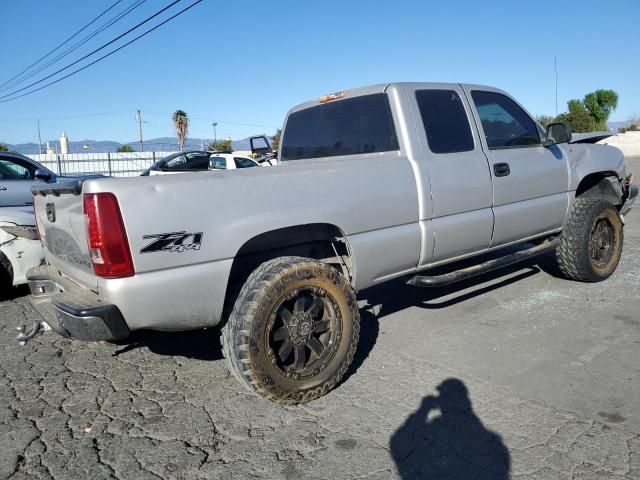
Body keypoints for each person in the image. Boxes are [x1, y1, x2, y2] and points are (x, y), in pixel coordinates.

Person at [390, 378, 510, 479]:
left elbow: (398, 442)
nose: (440, 398)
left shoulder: (436, 426)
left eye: (443, 395)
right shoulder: (493, 441)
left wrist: (423, 409)